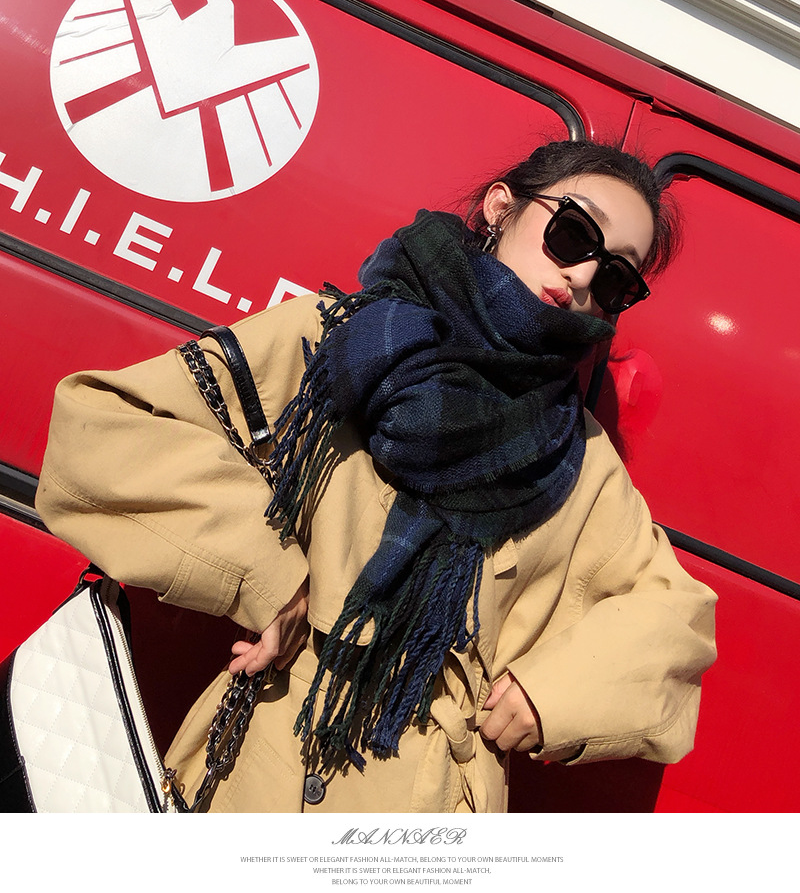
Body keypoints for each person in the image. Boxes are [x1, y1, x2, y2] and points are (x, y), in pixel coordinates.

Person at [35, 139, 717, 813]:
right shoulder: (338, 339)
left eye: (615, 278)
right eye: (573, 234)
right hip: (262, 775)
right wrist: (270, 579)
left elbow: (676, 618)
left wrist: (554, 696)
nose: (583, 276)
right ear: (501, 207)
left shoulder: (579, 457)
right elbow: (108, 426)